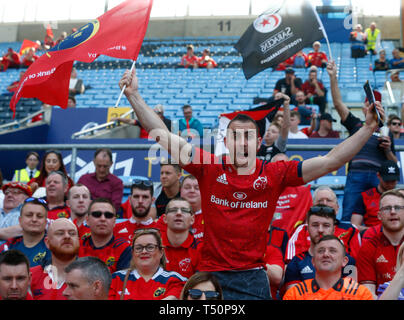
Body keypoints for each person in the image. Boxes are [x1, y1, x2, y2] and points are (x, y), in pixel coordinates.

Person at [119, 63, 385, 300]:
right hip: (211, 276)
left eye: (248, 136)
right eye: (236, 136)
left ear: (258, 142)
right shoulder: (208, 166)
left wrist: (368, 127)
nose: (242, 142)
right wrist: (133, 95)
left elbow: (331, 161)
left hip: (253, 276)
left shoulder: (275, 172)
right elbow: (163, 136)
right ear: (226, 141)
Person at [327, 60, 397, 222]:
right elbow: (338, 104)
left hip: (378, 176)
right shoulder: (357, 125)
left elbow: (394, 163)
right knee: (348, 215)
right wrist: (333, 77)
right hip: (356, 174)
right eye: (369, 104)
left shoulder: (385, 131)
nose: (371, 107)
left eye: (376, 105)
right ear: (364, 107)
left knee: (379, 217)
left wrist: (387, 149)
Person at [284, 205, 357, 293]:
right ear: (307, 228)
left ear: (334, 229)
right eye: (315, 225)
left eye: (326, 225)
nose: (320, 230)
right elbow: (294, 297)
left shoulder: (348, 262)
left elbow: (350, 296)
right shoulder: (296, 263)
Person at [283, 235, 374, 300]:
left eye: (332, 251)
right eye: (321, 251)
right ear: (313, 261)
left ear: (344, 261)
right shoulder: (296, 294)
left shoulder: (360, 294)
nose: (326, 254)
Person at [286, 185, 362, 262]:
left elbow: (358, 263)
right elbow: (291, 263)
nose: (325, 204)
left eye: (329, 200)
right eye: (320, 201)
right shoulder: (302, 230)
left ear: (337, 208)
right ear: (312, 207)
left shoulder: (351, 229)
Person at [109, 228, 187, 300]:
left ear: (161, 252)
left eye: (150, 247)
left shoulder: (174, 280)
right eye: (138, 248)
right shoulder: (117, 279)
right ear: (132, 253)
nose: (144, 252)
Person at [357, 189, 404, 298]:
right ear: (379, 215)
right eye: (387, 208)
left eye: (398, 208)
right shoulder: (368, 248)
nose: (393, 212)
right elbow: (369, 294)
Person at [30, 218, 80, 300]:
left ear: (78, 241)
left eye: (72, 233)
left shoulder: (93, 275)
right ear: (47, 242)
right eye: (60, 233)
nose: (67, 236)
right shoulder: (30, 276)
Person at [79, 198, 132, 273]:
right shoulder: (78, 246)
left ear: (114, 222)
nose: (103, 219)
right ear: (87, 220)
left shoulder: (124, 249)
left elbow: (121, 282)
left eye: (108, 215)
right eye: (97, 214)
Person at [351, 160, 400, 233]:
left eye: (393, 181)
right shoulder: (365, 196)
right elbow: (354, 225)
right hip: (372, 237)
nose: (390, 184)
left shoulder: (401, 197)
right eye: (387, 180)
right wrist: (377, 231)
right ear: (378, 176)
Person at [271, 153, 313, 237]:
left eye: (285, 165)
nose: (281, 169)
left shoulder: (303, 192)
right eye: (277, 165)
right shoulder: (263, 191)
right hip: (269, 239)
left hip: (293, 239)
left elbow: (309, 219)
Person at [0, 197, 50, 267]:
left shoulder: (52, 247)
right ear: (20, 220)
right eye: (29, 215)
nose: (34, 219)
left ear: (46, 222)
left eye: (39, 216)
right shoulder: (8, 246)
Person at [162, 197, 200, 278]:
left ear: (192, 219)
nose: (178, 213)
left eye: (184, 210)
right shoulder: (154, 247)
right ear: (164, 219)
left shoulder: (201, 249)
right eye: (173, 210)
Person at [77, 148, 124, 213]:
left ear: (111, 164)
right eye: (99, 166)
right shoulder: (84, 179)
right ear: (94, 162)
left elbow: (114, 207)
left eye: (105, 166)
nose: (102, 170)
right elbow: (76, 200)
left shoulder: (117, 183)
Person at [257, 92, 290, 161]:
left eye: (273, 131)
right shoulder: (257, 147)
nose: (268, 133)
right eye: (268, 130)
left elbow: (285, 127)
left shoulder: (279, 146)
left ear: (279, 136)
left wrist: (286, 105)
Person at [180, 175, 204, 240]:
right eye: (187, 187)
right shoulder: (168, 217)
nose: (192, 190)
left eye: (197, 188)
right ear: (180, 191)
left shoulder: (214, 217)